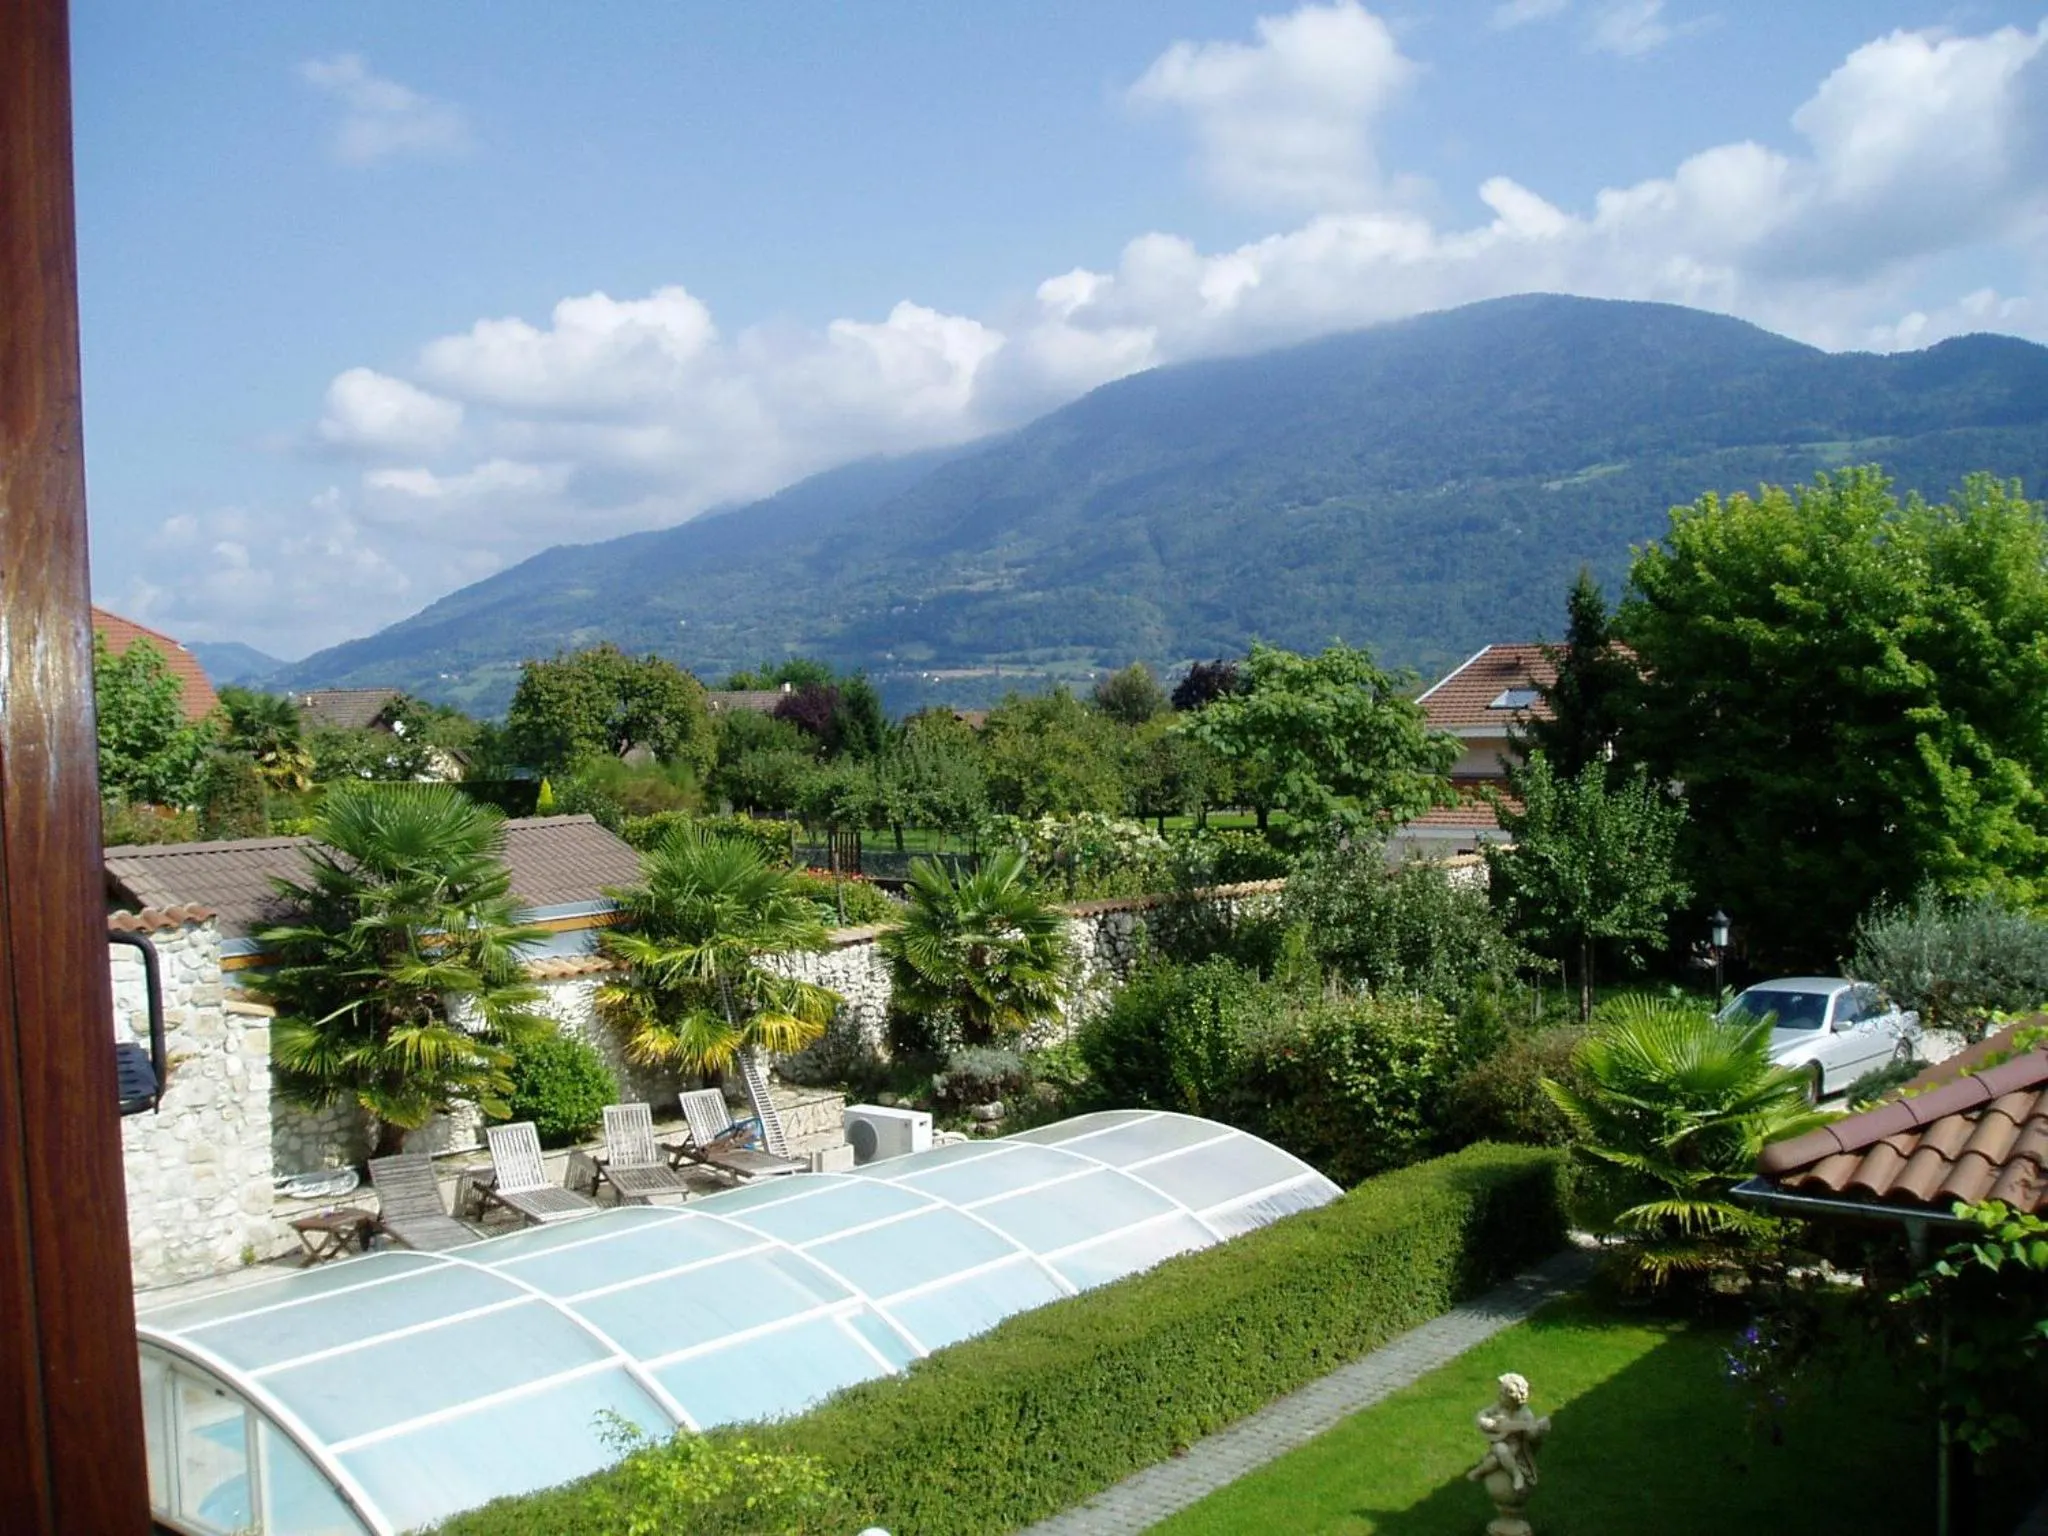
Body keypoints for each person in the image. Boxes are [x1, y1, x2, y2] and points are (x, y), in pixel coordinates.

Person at [1466, 1372, 1547, 1493]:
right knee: (1499, 1448)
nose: (1499, 1397)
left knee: (1498, 1453)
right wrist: (1486, 1422)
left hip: (1516, 1446)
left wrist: (1534, 1431)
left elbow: (1532, 1437)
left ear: (1514, 1400)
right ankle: (1484, 1472)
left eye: (1503, 1395)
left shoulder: (1525, 1415)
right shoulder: (1499, 1406)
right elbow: (1482, 1414)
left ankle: (1514, 1475)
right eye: (1500, 1393)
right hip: (1499, 1440)